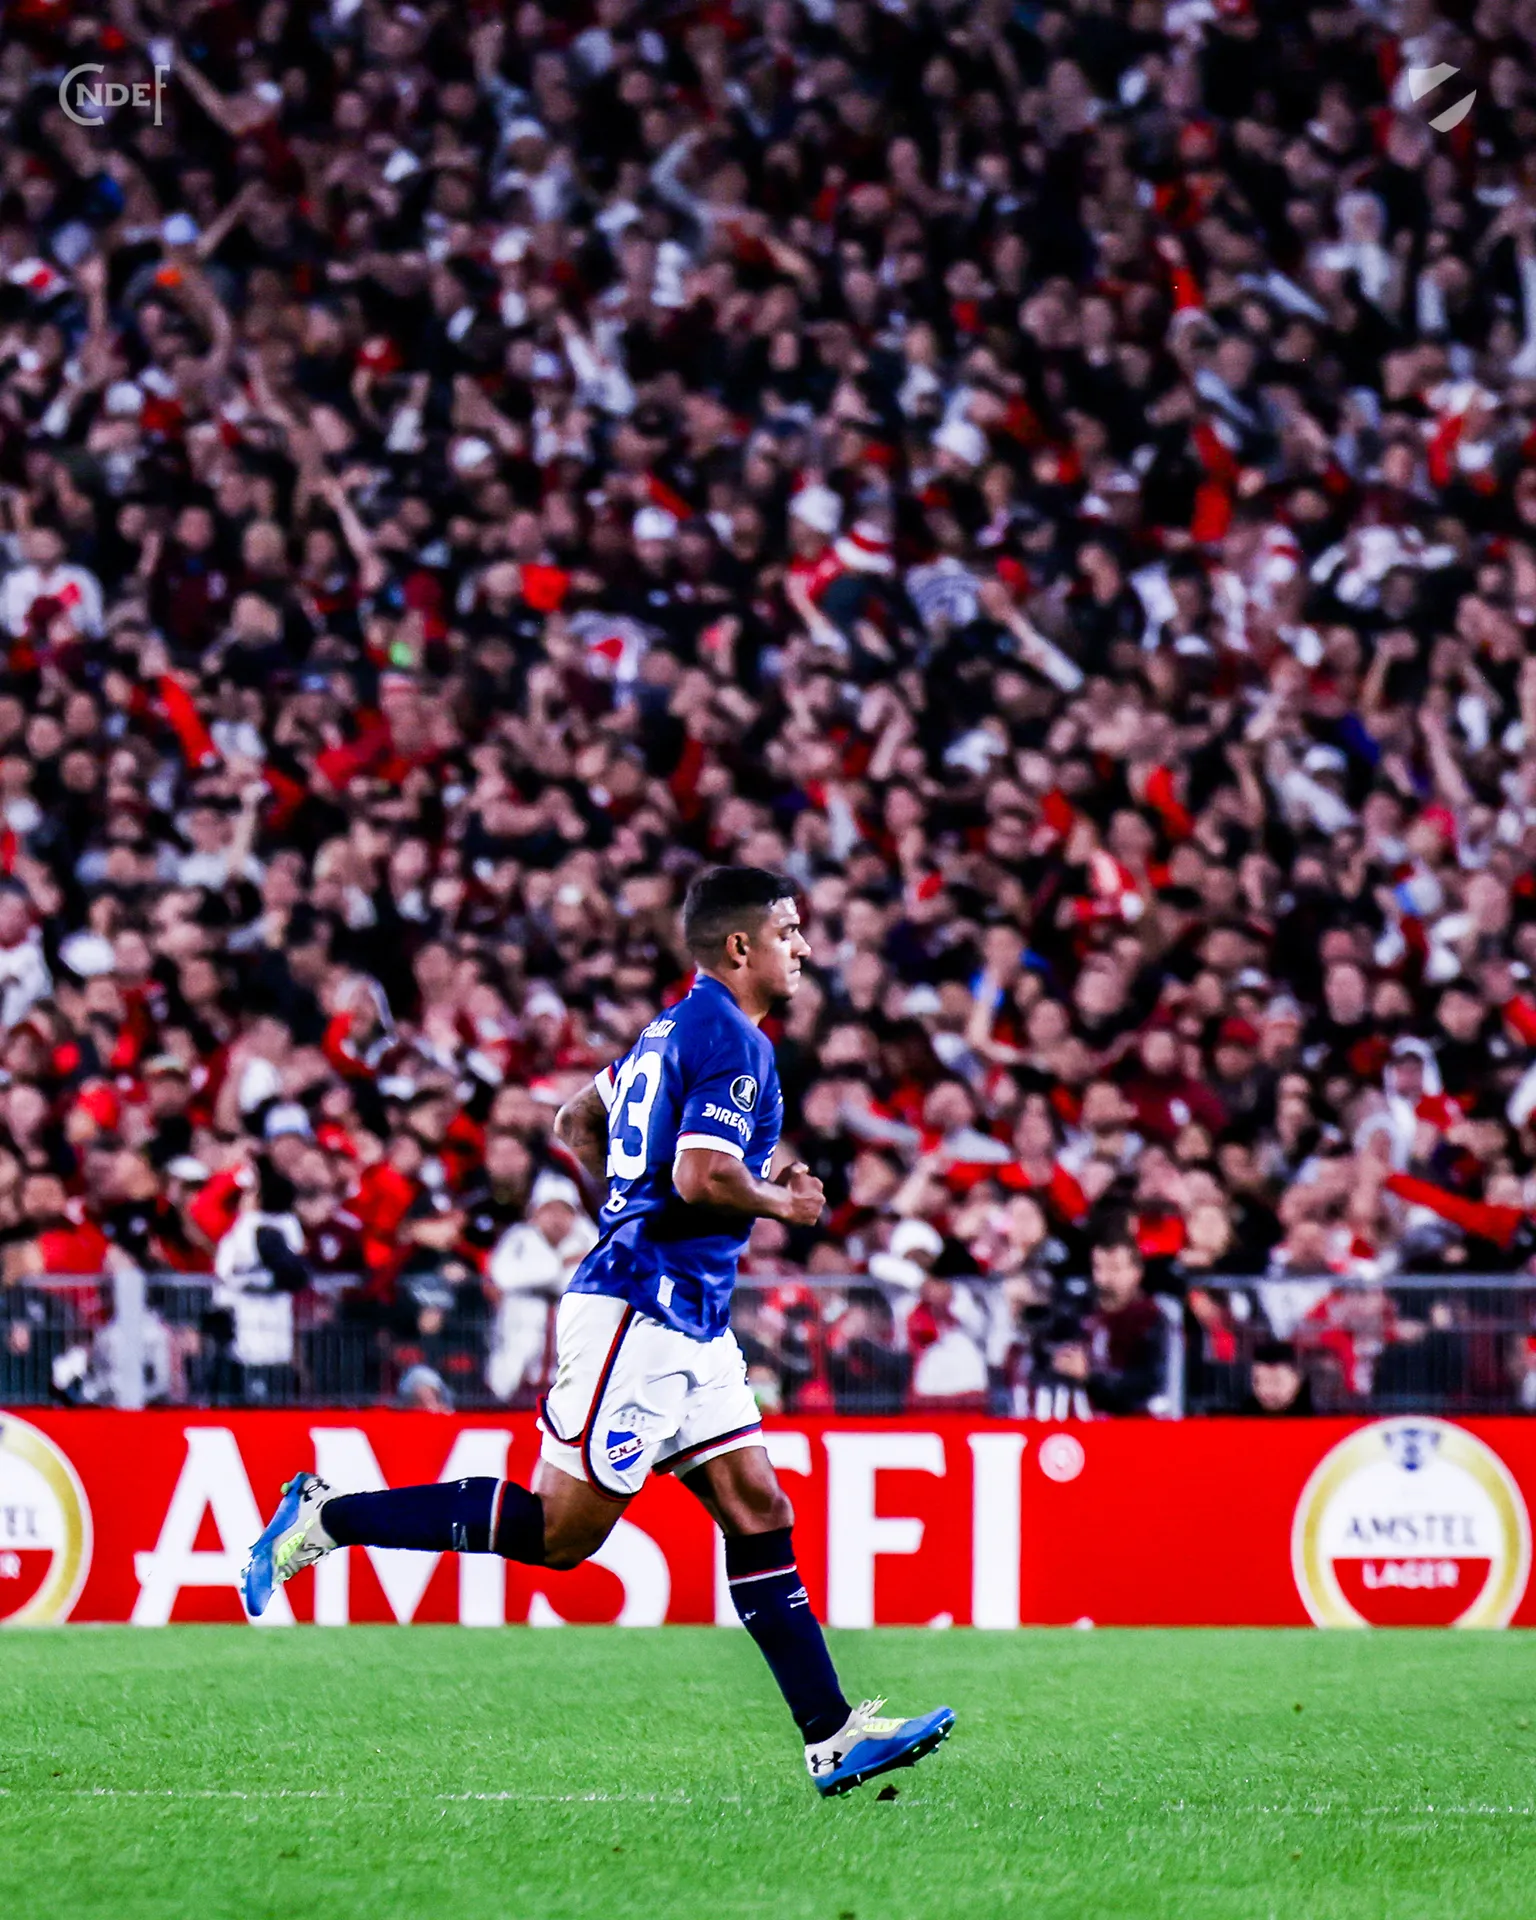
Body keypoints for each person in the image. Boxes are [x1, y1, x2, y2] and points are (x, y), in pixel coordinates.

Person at [244, 868, 953, 1796]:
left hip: (688, 1313)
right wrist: (784, 1202)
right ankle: (327, 1515)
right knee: (559, 1534)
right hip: (643, 1307)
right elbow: (700, 1176)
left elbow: (577, 1116)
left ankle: (830, 1736)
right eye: (788, 932)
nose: (804, 948)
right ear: (739, 945)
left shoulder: (672, 1028)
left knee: (759, 1508)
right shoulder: (733, 1039)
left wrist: (625, 1199)